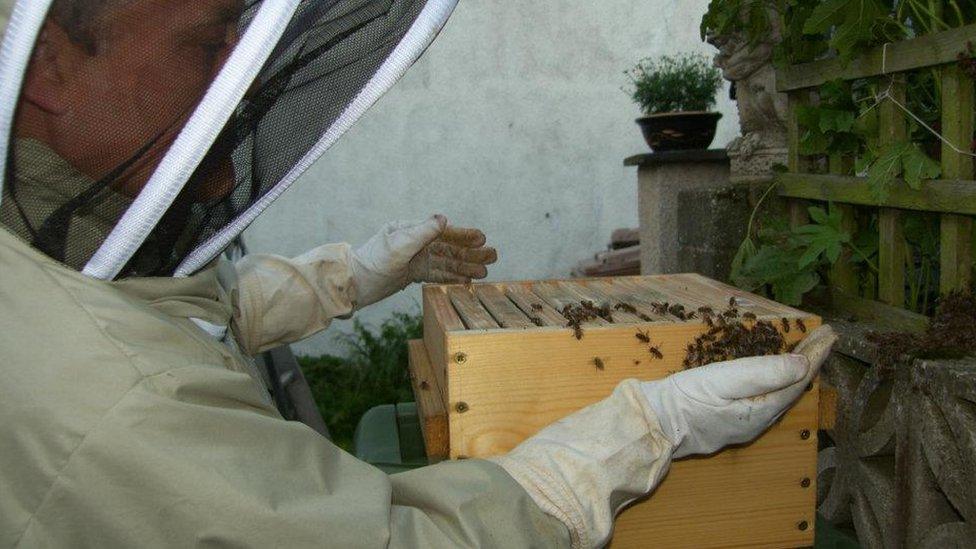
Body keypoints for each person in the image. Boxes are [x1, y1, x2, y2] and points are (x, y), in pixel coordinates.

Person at [0, 1, 837, 547]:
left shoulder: (42, 231)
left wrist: (350, 276)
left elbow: (158, 314)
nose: (244, 84)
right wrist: (631, 438)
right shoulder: (110, 401)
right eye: (208, 43)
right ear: (47, 69)